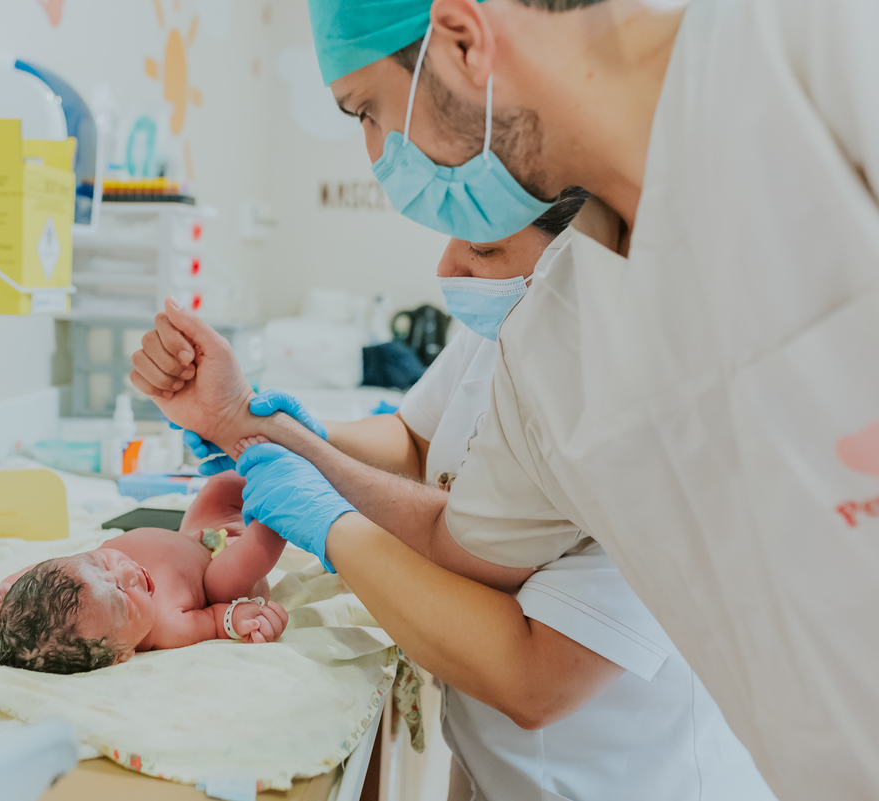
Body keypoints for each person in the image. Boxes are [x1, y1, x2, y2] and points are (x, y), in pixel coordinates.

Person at [138, 0, 879, 795]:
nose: (379, 155)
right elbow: (463, 542)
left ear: (461, 39)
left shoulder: (817, 53)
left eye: (370, 112)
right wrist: (265, 439)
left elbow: (535, 672)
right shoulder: (551, 332)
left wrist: (317, 497)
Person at [135, 221, 776, 799]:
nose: (448, 268)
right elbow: (417, 445)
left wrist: (326, 515)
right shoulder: (509, 325)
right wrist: (253, 422)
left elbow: (535, 679)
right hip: (497, 766)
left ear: (576, 253)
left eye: (485, 247)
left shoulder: (640, 402)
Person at [0, 472, 288, 673]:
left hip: (197, 533)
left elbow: (40, 573)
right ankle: (283, 506)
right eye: (123, 601)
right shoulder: (167, 627)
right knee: (225, 580)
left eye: (102, 563)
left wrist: (8, 590)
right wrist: (241, 619)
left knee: (220, 486)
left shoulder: (72, 574)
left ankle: (273, 470)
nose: (128, 573)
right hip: (222, 569)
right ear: (120, 655)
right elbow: (214, 621)